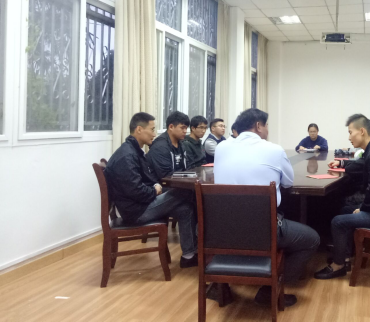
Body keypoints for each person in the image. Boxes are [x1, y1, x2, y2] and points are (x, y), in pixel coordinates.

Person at [214, 108, 320, 307]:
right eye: (267, 125)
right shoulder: (274, 150)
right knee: (311, 239)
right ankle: (270, 290)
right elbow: (288, 183)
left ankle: (220, 285)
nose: (268, 129)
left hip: (222, 230)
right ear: (258, 126)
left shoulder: (221, 148)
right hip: (263, 230)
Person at [314, 114, 370, 280]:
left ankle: (338, 265)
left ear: (362, 131)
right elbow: (366, 173)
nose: (349, 137)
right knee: (345, 210)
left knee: (337, 221)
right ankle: (344, 256)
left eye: (351, 132)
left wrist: (364, 209)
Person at [104, 112, 199, 268]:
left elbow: (143, 182)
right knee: (186, 191)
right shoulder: (127, 156)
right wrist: (155, 190)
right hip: (136, 212)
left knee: (185, 209)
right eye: (152, 129)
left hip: (139, 205)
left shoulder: (133, 150)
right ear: (139, 129)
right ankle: (206, 241)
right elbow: (136, 191)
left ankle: (189, 256)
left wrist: (154, 186)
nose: (155, 134)